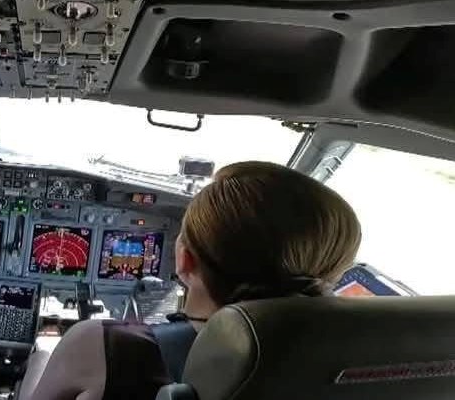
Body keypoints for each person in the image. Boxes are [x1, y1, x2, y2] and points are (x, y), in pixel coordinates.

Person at [21, 161, 362, 400]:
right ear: (333, 272)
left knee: (39, 358)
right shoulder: (353, 372)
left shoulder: (105, 345)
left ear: (184, 260)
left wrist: (42, 357)